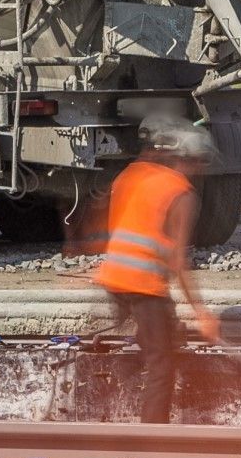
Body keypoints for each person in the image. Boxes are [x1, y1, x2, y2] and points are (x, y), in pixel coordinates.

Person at [94, 118, 222, 423]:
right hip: (143, 286)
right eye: (200, 163)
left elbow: (118, 227)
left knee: (165, 334)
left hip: (114, 279)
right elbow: (178, 262)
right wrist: (202, 314)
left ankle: (135, 358)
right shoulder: (182, 194)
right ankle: (152, 439)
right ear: (191, 160)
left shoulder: (132, 174)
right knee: (161, 365)